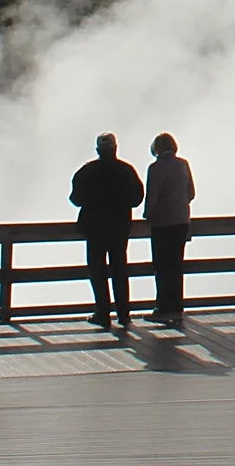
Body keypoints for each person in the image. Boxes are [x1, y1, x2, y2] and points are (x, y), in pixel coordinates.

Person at [69, 132, 144, 329]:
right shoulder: (126, 170)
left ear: (98, 150)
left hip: (94, 228)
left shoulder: (87, 171)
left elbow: (75, 198)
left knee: (97, 270)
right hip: (119, 227)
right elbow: (137, 198)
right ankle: (124, 313)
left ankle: (102, 312)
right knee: (119, 268)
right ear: (115, 149)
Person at [144, 132, 197, 326]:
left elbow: (152, 196)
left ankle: (162, 307)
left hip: (162, 223)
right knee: (176, 265)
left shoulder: (155, 168)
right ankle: (176, 306)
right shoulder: (183, 164)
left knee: (162, 266)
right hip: (182, 222)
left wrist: (148, 214)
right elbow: (191, 192)